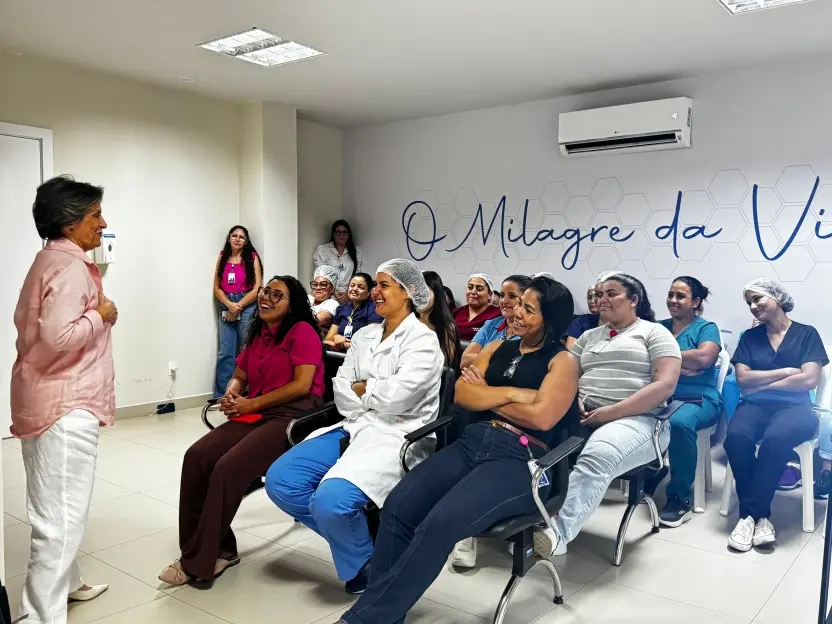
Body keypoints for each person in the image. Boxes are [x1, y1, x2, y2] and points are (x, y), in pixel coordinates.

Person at [332, 276, 579, 623]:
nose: (516, 312)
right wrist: (514, 394)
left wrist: (487, 394)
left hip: (521, 459)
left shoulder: (563, 361)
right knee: (398, 505)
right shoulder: (496, 348)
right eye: (518, 304)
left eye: (529, 309)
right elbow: (462, 394)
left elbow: (542, 417)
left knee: (439, 523)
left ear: (550, 320)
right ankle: (386, 613)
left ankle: (366, 618)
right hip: (472, 442)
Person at [264, 259, 443, 594]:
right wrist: (368, 392)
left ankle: (362, 560)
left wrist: (365, 389)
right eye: (375, 284)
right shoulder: (365, 334)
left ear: (407, 293)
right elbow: (342, 387)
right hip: (355, 424)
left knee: (330, 502)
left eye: (384, 285)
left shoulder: (423, 341)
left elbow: (399, 399)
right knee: (281, 481)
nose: (375, 291)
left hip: (397, 434)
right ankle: (364, 552)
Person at [159, 276, 325, 586]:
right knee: (196, 456)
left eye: (277, 295)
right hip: (257, 410)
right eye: (265, 291)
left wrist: (251, 403)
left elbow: (302, 385)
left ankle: (198, 562)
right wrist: (232, 393)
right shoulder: (259, 333)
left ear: (292, 306)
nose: (266, 298)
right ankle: (219, 548)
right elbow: (240, 375)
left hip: (292, 417)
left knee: (228, 467)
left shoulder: (302, 332)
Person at [12, 175, 118, 623]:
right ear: (70, 222)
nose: (103, 224)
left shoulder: (48, 259)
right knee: (60, 520)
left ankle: (70, 584)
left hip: (43, 398)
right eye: (95, 215)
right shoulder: (71, 267)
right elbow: (59, 336)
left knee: (52, 505)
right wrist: (101, 315)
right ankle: (39, 616)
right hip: (65, 406)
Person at [534, 273, 682, 557]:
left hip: (640, 420)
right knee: (525, 440)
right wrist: (574, 399)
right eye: (599, 294)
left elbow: (665, 385)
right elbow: (567, 376)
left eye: (612, 293)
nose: (602, 299)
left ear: (633, 300)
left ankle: (556, 533)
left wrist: (611, 412)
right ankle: (525, 517)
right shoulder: (588, 337)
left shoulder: (654, 333)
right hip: (583, 416)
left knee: (599, 454)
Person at [723, 278, 828, 552]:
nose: (753, 306)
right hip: (755, 405)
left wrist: (763, 384)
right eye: (749, 302)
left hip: (796, 407)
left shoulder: (807, 333)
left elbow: (808, 380)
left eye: (758, 298)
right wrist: (786, 372)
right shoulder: (750, 337)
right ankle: (760, 518)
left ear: (778, 298)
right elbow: (743, 379)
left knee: (775, 439)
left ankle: (749, 515)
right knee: (736, 438)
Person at [651, 276, 723, 527]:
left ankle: (679, 498)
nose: (673, 300)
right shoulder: (658, 327)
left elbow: (704, 358)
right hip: (661, 394)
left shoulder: (706, 328)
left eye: (680, 296)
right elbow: (643, 359)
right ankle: (649, 474)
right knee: (634, 415)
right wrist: (682, 365)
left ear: (696, 302)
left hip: (700, 397)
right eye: (670, 294)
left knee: (679, 423)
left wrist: (665, 361)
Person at [213, 225, 263, 398]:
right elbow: (216, 287)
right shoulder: (223, 257)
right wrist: (229, 304)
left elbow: (257, 288)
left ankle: (247, 394)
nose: (237, 239)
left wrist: (238, 306)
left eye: (241, 237)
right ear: (229, 238)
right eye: (234, 236)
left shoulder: (252, 257)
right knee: (225, 351)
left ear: (246, 241)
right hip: (226, 305)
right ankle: (222, 395)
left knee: (246, 350)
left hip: (247, 305)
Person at [460, 275, 531, 370]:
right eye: (502, 295)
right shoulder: (491, 324)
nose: (504, 301)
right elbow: (465, 361)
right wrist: (500, 359)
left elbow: (521, 369)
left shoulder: (531, 331)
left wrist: (482, 359)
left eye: (512, 296)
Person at [323, 273, 382, 352]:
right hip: (337, 354)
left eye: (360, 287)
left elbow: (370, 343)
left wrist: (344, 343)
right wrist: (337, 340)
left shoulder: (374, 309)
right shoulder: (341, 309)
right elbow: (327, 340)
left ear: (369, 292)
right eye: (352, 285)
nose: (354, 289)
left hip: (360, 355)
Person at [420, 271, 462, 370]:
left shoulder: (447, 327)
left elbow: (445, 365)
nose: (420, 298)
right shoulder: (408, 321)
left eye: (425, 293)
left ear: (437, 295)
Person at [314, 220, 363, 304]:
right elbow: (320, 274)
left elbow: (356, 275)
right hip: (328, 295)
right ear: (333, 234)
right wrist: (335, 292)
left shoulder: (356, 252)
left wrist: (348, 293)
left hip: (348, 297)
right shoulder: (323, 250)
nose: (341, 235)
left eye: (344, 232)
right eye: (338, 232)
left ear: (348, 234)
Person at [452, 273, 501, 341]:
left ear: (490, 295)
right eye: (470, 288)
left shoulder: (497, 315)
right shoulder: (457, 312)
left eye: (479, 289)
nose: (473, 292)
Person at [309, 265, 340, 335]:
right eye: (315, 284)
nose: (318, 288)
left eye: (323, 285)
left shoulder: (332, 304)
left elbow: (316, 320)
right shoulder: (308, 298)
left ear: (332, 288)